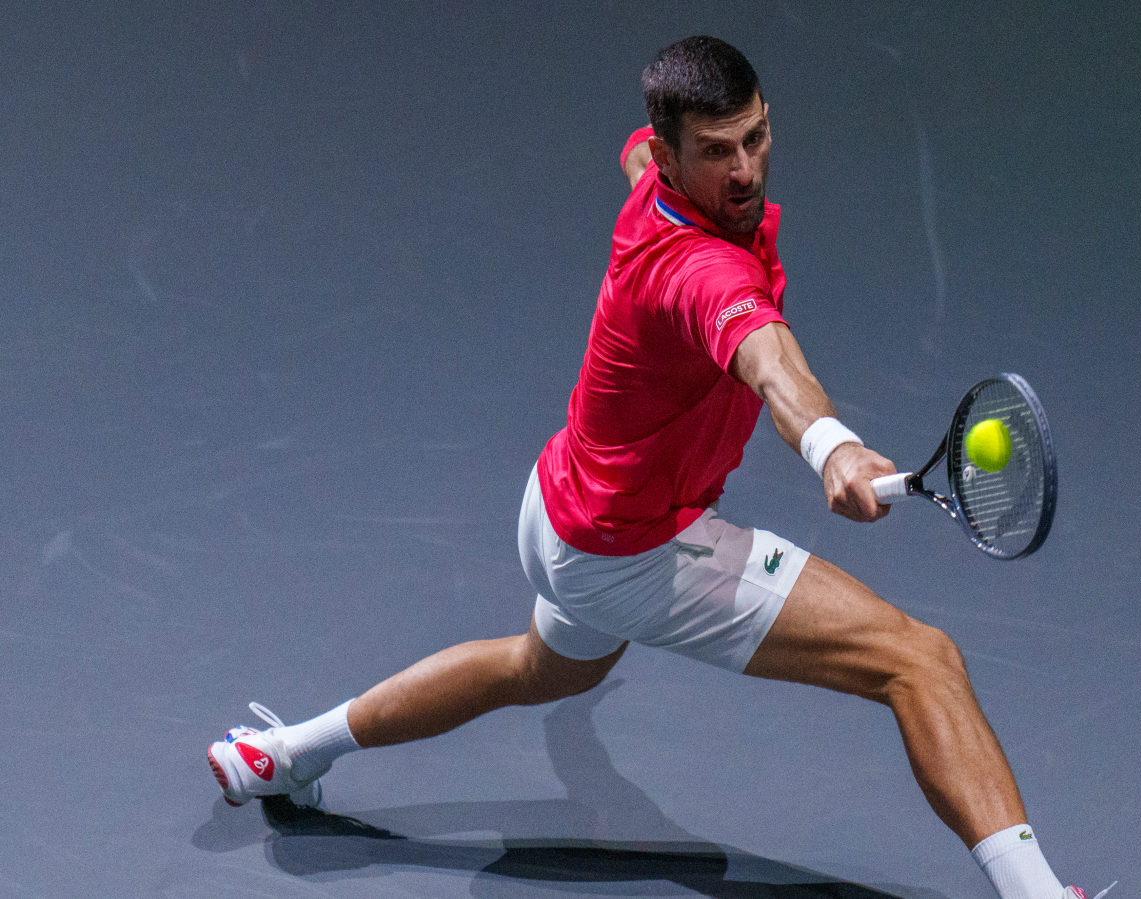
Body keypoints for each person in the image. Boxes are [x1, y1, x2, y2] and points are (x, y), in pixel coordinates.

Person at [206, 35, 1092, 899]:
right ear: (673, 157)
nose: (744, 170)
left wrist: (660, 153)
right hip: (638, 550)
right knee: (919, 659)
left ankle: (281, 755)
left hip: (559, 511)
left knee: (537, 670)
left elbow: (630, 151)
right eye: (716, 151)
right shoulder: (702, 272)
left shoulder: (652, 182)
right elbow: (770, 362)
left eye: (755, 137)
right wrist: (834, 445)